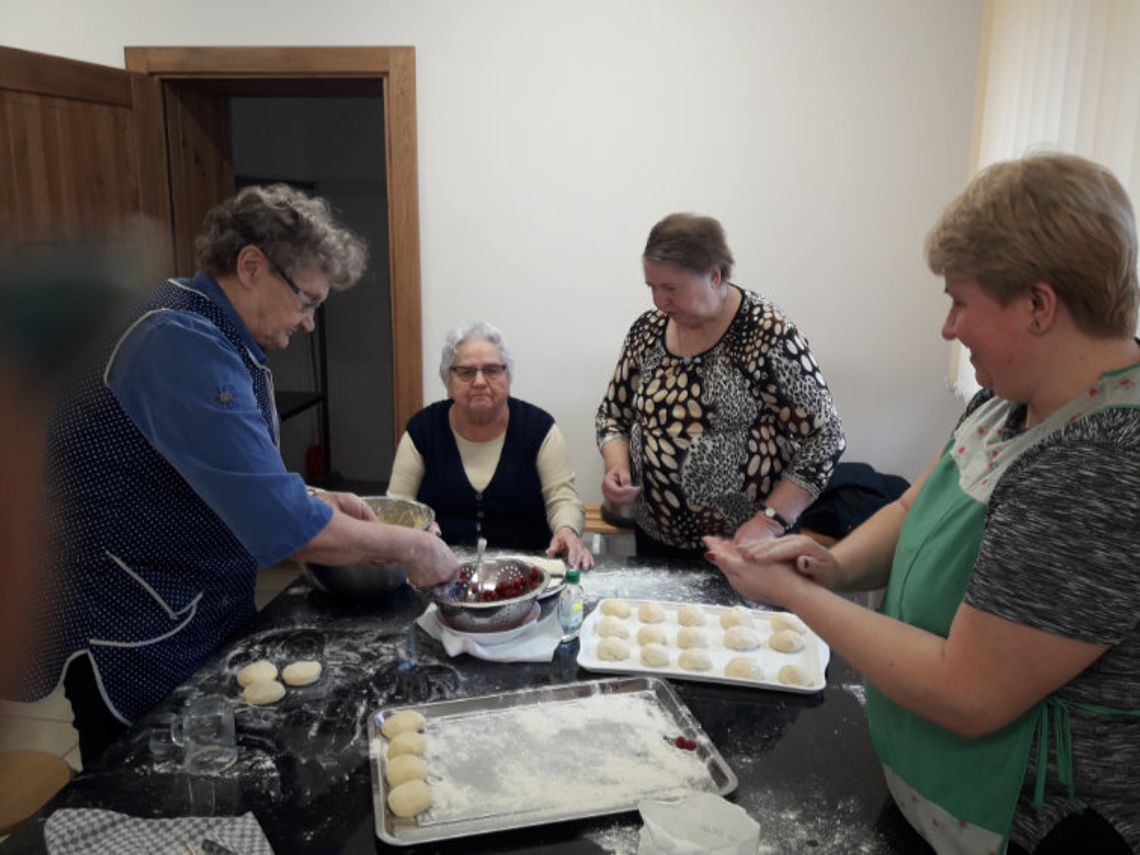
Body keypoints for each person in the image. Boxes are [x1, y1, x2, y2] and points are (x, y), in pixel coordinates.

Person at [705, 153, 1140, 855]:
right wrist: (832, 563)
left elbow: (968, 692)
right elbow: (916, 508)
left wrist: (793, 595)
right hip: (929, 798)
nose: (948, 327)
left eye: (961, 301)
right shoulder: (1004, 400)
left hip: (1030, 833)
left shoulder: (1101, 463)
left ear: (1039, 304)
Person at [10, 185, 459, 765]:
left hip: (188, 605)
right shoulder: (175, 343)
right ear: (251, 266)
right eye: (307, 301)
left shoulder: (206, 329)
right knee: (154, 792)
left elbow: (213, 471)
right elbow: (283, 528)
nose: (309, 323)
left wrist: (312, 492)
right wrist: (412, 547)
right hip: (136, 630)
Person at [596, 213, 845, 559]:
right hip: (658, 539)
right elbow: (612, 416)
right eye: (652, 287)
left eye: (671, 288)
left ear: (715, 276)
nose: (658, 301)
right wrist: (617, 466)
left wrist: (769, 521)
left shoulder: (765, 332)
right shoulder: (648, 331)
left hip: (747, 545)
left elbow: (826, 436)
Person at [388, 321, 594, 568]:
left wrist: (566, 530)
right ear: (448, 382)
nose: (479, 381)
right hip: (440, 573)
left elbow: (563, 499)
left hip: (528, 575)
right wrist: (418, 527)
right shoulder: (422, 430)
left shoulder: (539, 429)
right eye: (465, 372)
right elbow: (397, 507)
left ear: (508, 377)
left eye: (492, 370)